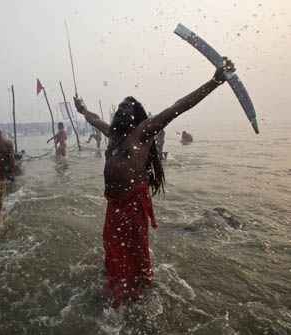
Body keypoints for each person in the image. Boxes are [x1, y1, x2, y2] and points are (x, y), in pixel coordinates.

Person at [73, 58, 235, 308]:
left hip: (133, 201)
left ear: (137, 115)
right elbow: (94, 120)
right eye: (122, 106)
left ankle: (140, 291)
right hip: (114, 205)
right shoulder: (114, 134)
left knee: (137, 250)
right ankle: (116, 284)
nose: (126, 108)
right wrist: (82, 110)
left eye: (130, 106)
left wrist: (214, 81)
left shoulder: (144, 131)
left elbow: (180, 106)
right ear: (117, 115)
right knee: (112, 246)